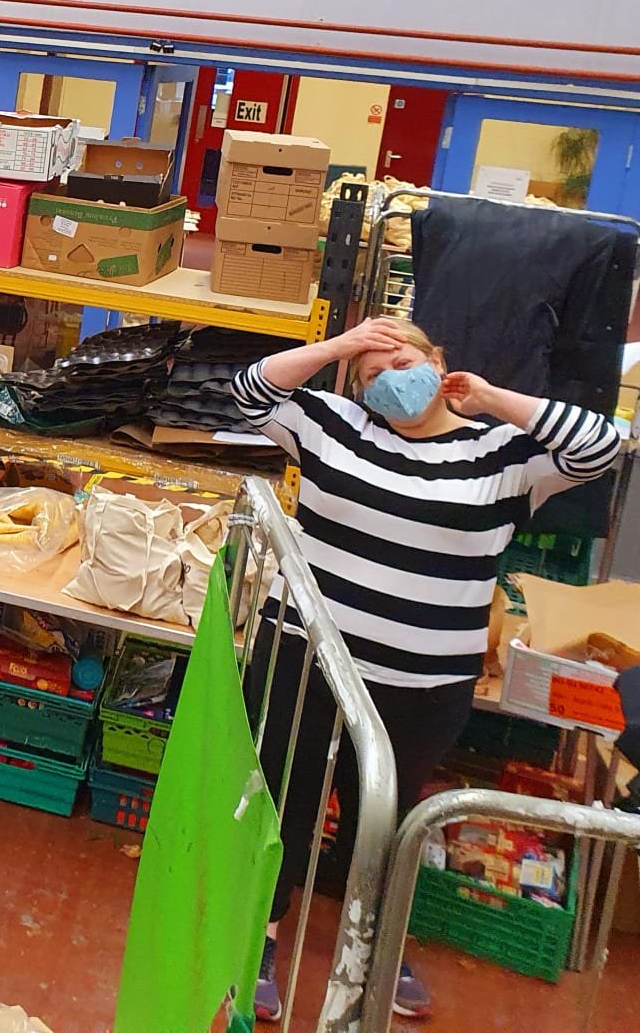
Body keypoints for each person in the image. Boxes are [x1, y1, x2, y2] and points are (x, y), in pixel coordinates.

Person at [230, 316, 621, 1021]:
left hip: (423, 680)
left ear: (437, 362)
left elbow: (601, 444)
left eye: (400, 359)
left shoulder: (502, 456)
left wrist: (490, 396)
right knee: (282, 795)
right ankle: (257, 933)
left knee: (386, 810)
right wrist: (341, 348)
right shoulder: (334, 425)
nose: (386, 378)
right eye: (370, 374)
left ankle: (375, 938)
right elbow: (250, 392)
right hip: (305, 653)